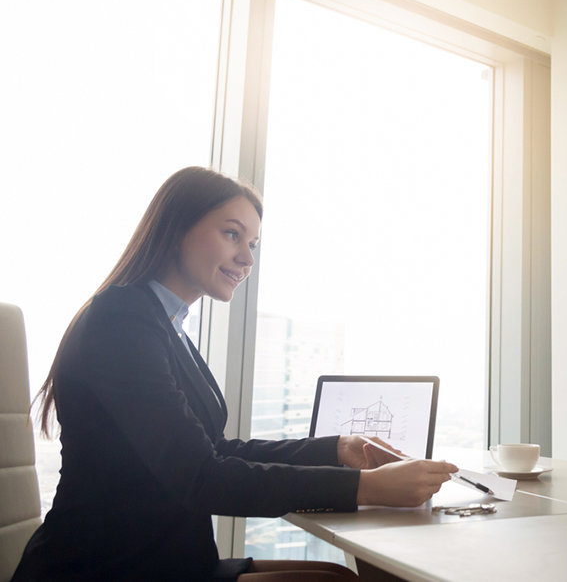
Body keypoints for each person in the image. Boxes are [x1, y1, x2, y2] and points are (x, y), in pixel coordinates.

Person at [13, 166, 458, 581]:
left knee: (343, 576)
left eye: (253, 245)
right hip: (108, 567)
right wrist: (367, 487)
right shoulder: (123, 322)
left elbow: (214, 448)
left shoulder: (162, 324)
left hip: (167, 559)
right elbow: (201, 475)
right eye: (232, 235)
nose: (246, 258)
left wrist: (338, 450)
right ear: (175, 230)